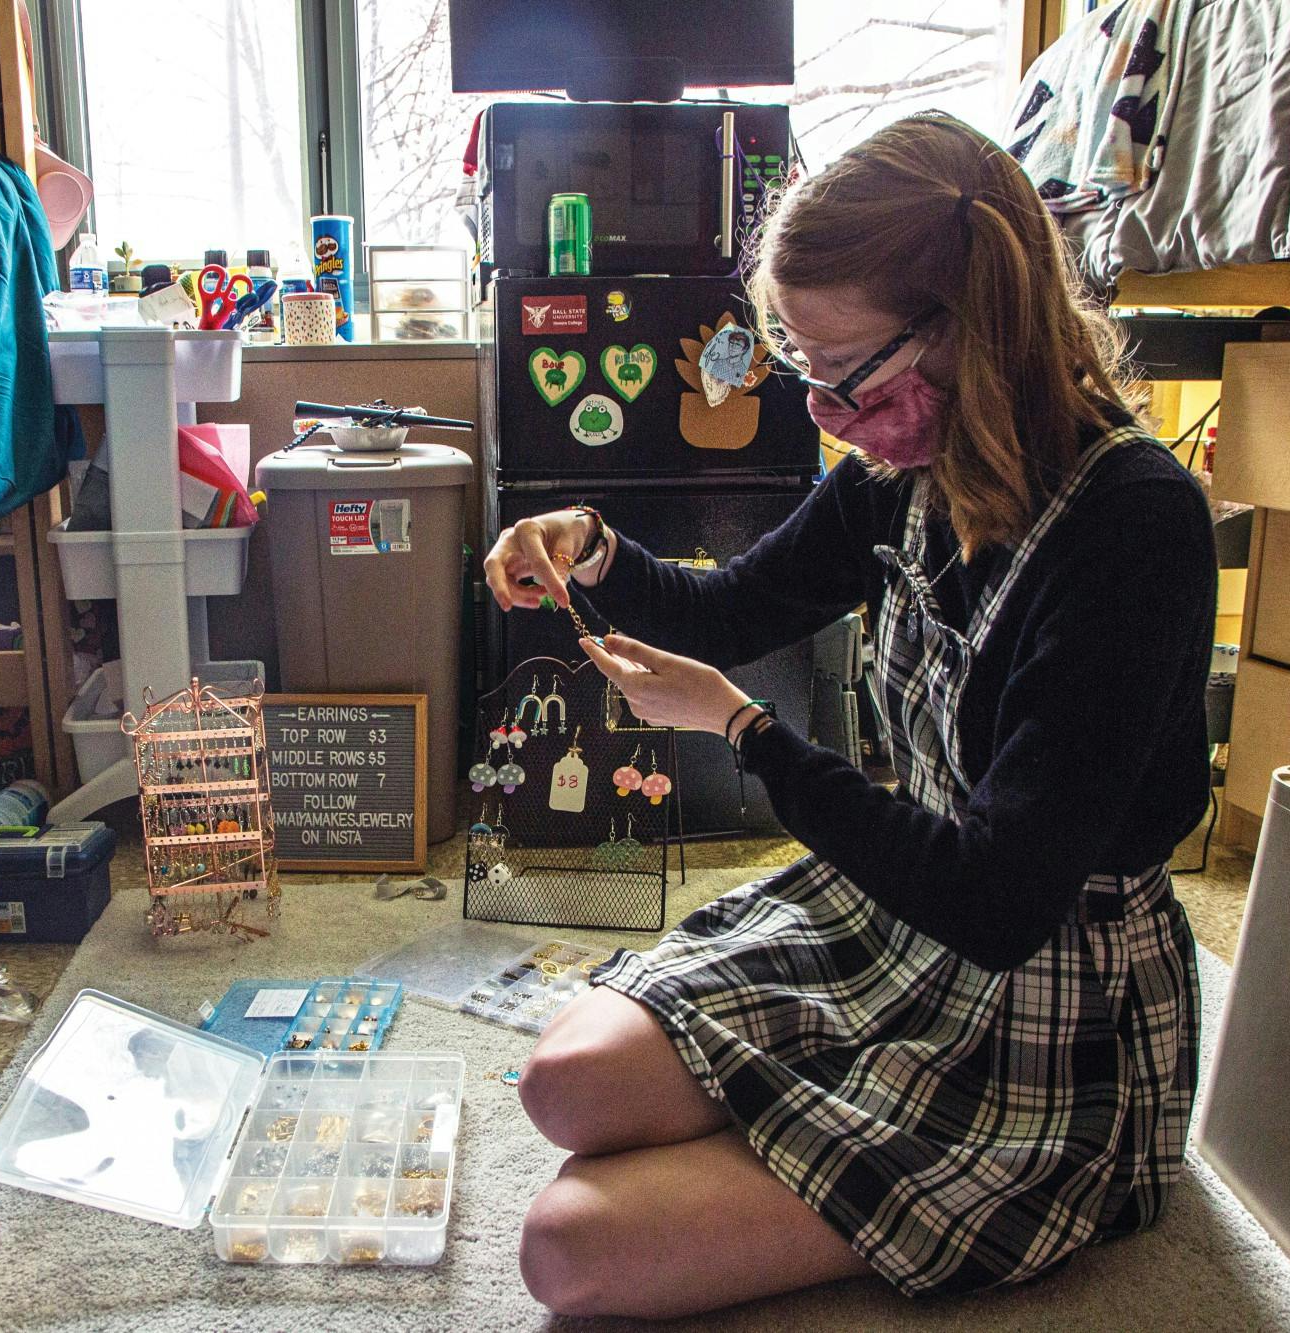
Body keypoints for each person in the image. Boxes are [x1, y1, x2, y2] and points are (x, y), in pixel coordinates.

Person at [483, 112, 1213, 1318]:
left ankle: (902, 1147)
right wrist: (592, 542)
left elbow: (993, 898)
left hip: (1042, 989)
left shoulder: (1131, 526)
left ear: (972, 328)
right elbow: (727, 609)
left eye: (844, 374)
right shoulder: (895, 475)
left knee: (569, 1250)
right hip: (888, 905)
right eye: (800, 367)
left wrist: (746, 735)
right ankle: (819, 1111)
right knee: (562, 1083)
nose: (820, 409)